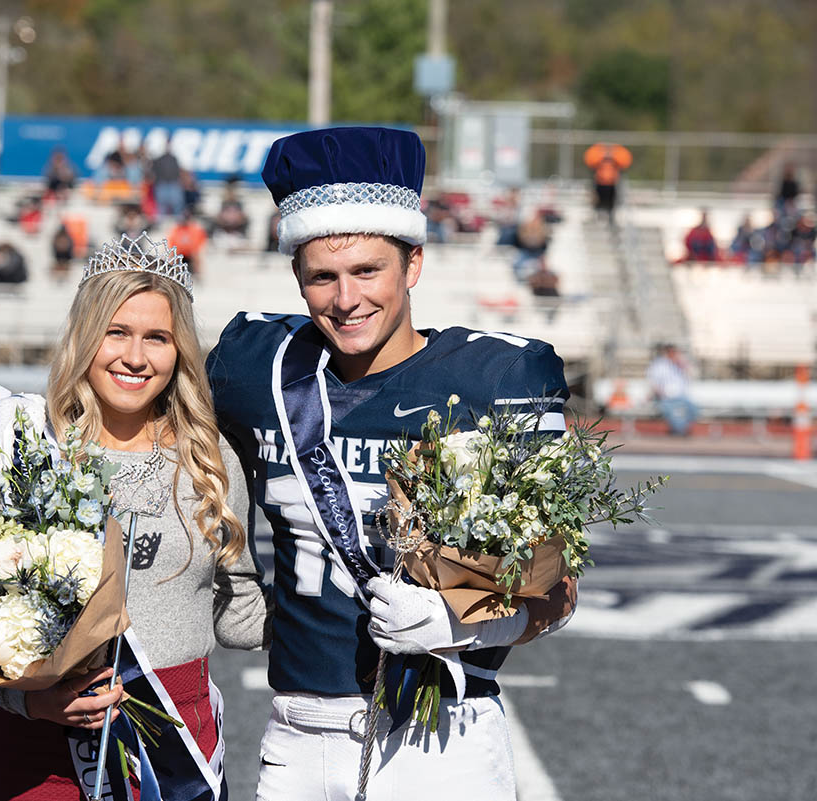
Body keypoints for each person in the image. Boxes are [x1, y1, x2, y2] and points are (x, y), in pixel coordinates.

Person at [208, 127, 578, 800]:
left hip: (444, 740)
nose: (346, 299)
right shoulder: (254, 366)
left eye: (367, 270)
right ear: (297, 276)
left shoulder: (495, 379)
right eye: (323, 276)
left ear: (412, 263)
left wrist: (463, 621)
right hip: (298, 737)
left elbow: (556, 589)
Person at [0, 233, 270, 800]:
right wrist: (29, 700)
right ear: (85, 337)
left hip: (176, 740)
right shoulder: (24, 446)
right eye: (117, 332)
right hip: (40, 747)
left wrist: (349, 611)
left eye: (158, 337)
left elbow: (239, 610)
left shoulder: (211, 457)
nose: (135, 356)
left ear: (179, 351)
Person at [646, 342, 699, 436]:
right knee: (670, 412)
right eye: (671, 352)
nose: (673, 354)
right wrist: (660, 394)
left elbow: (693, 375)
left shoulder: (681, 364)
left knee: (693, 409)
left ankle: (680, 430)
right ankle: (679, 432)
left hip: (682, 396)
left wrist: (683, 365)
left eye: (675, 352)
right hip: (665, 397)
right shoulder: (659, 365)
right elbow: (653, 382)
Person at [583, 141, 632, 224]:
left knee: (612, 201)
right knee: (597, 199)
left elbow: (624, 163)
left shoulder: (617, 155)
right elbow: (591, 162)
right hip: (599, 182)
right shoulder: (596, 154)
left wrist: (613, 158)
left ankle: (611, 216)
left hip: (613, 183)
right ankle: (597, 214)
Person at [167, 210, 209, 279]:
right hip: (179, 253)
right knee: (173, 256)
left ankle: (198, 275)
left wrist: (193, 250)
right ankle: (173, 273)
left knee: (196, 255)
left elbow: (200, 241)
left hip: (190, 253)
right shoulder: (175, 229)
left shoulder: (194, 229)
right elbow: (171, 242)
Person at [150, 140, 184, 217]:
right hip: (162, 184)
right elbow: (153, 172)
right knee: (162, 207)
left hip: (173, 184)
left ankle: (177, 223)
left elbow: (178, 171)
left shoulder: (174, 159)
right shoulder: (158, 159)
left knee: (177, 205)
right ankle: (161, 223)